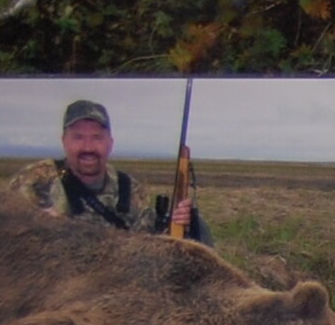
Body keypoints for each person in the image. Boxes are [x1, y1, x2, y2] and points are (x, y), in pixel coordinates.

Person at [43, 98, 212, 246]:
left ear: (110, 143)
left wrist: (177, 224)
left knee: (199, 227)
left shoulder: (130, 189)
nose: (88, 147)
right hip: (52, 277)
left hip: (111, 276)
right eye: (78, 137)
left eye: (97, 137)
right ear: (64, 141)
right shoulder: (35, 181)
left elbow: (145, 245)